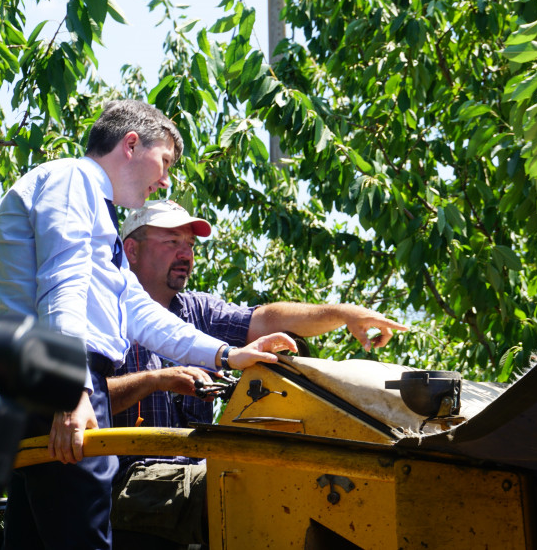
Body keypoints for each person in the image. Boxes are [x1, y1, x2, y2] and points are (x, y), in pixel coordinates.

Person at [0, 100, 297, 550]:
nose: (166, 179)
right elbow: (61, 283)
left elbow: (137, 311)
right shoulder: (74, 180)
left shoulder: (95, 208)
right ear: (131, 144)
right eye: (165, 161)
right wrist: (72, 391)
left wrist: (227, 354)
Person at [107, 199, 409, 548]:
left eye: (189, 244)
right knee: (265, 488)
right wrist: (154, 381)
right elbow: (79, 399)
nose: (185, 254)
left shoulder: (196, 311)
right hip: (128, 483)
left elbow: (266, 319)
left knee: (318, 479)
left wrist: (343, 314)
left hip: (195, 477)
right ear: (131, 250)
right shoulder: (103, 314)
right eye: (172, 241)